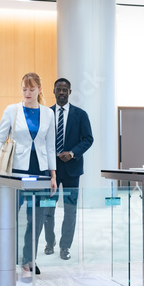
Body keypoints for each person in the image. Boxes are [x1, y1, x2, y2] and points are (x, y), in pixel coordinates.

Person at [0, 72, 57, 281]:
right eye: (24, 89)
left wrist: (53, 175)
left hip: (39, 170)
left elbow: (50, 147)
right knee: (11, 217)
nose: (27, 93)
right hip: (16, 171)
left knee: (36, 219)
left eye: (31, 89)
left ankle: (27, 261)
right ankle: (7, 258)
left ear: (40, 90)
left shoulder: (48, 113)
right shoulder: (12, 110)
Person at [43, 78, 93, 260]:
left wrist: (72, 153)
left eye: (65, 90)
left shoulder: (80, 115)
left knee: (70, 211)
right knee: (48, 209)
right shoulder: (45, 114)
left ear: (70, 92)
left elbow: (88, 139)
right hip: (51, 171)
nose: (62, 93)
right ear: (54, 91)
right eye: (59, 90)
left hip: (72, 170)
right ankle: (50, 242)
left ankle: (65, 247)